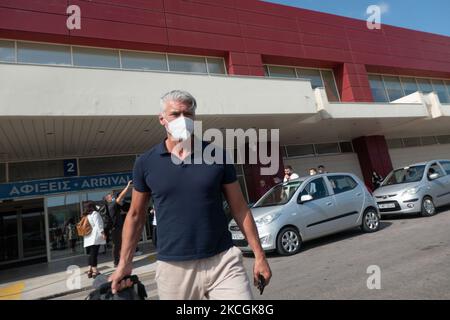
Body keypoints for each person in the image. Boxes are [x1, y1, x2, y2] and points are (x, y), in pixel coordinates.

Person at [109, 90, 271, 299]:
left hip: (223, 261)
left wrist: (259, 255)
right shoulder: (146, 162)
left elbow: (240, 208)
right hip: (174, 268)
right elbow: (135, 216)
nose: (183, 120)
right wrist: (124, 263)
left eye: (188, 114)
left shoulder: (218, 155)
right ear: (162, 119)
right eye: (175, 114)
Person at [104, 180, 133, 268]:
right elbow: (121, 196)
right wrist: (128, 186)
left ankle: (119, 260)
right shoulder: (112, 205)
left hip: (118, 228)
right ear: (107, 199)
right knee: (117, 245)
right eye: (110, 196)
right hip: (116, 229)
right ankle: (116, 262)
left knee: (120, 245)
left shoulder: (113, 206)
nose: (112, 196)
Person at [82, 201, 106, 279]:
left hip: (88, 237)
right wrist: (102, 233)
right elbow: (98, 225)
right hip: (95, 237)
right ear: (92, 206)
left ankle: (89, 270)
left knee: (91, 254)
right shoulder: (95, 213)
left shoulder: (86, 215)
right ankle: (95, 271)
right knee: (94, 254)